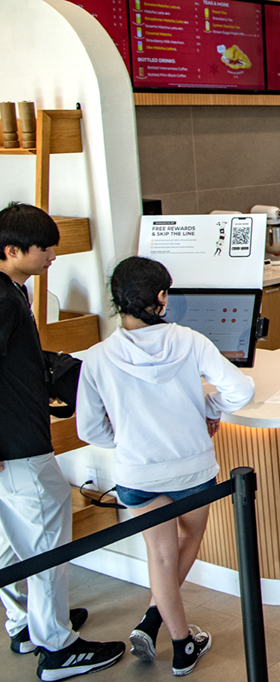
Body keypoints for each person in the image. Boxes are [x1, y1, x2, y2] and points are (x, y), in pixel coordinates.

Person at [76, 257, 255, 677]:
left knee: (159, 555)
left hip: (137, 474)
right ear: (161, 297)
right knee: (189, 538)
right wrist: (210, 408)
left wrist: (125, 439)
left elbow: (89, 428)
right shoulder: (190, 341)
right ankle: (166, 631)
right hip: (191, 470)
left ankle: (177, 642)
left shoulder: (98, 357)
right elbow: (240, 390)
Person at [0, 203, 125, 682]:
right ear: (12, 251)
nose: (53, 255)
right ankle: (56, 646)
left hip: (15, 437)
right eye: (44, 249)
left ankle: (24, 623)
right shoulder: (2, 300)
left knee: (12, 541)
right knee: (46, 540)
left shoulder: (13, 288)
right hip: (14, 446)